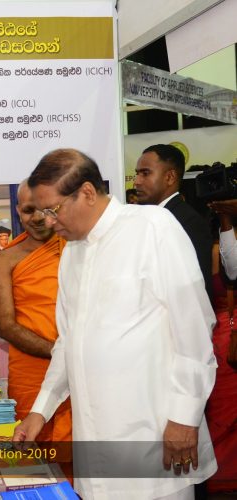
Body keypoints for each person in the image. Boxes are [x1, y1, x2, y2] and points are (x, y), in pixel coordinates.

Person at [14, 148, 217, 500]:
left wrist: (184, 418)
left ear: (87, 193)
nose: (48, 221)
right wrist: (40, 411)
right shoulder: (72, 253)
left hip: (154, 436)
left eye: (53, 209)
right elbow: (68, 343)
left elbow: (195, 329)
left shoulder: (152, 227)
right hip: (96, 441)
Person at [0, 180, 71, 442]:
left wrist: (74, 358)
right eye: (28, 210)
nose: (37, 218)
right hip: (33, 370)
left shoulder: (76, 247)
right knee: (34, 453)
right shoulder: (4, 260)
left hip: (82, 372)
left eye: (44, 209)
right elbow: (6, 326)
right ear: (17, 211)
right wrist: (62, 355)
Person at [134, 144, 213, 300]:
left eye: (145, 173)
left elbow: (198, 290)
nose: (136, 181)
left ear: (169, 177)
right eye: (137, 174)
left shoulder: (189, 222)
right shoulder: (144, 218)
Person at [203, 199, 237, 494]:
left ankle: (220, 476)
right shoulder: (215, 252)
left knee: (222, 409)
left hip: (221, 336)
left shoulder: (210, 252)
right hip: (222, 338)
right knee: (222, 408)